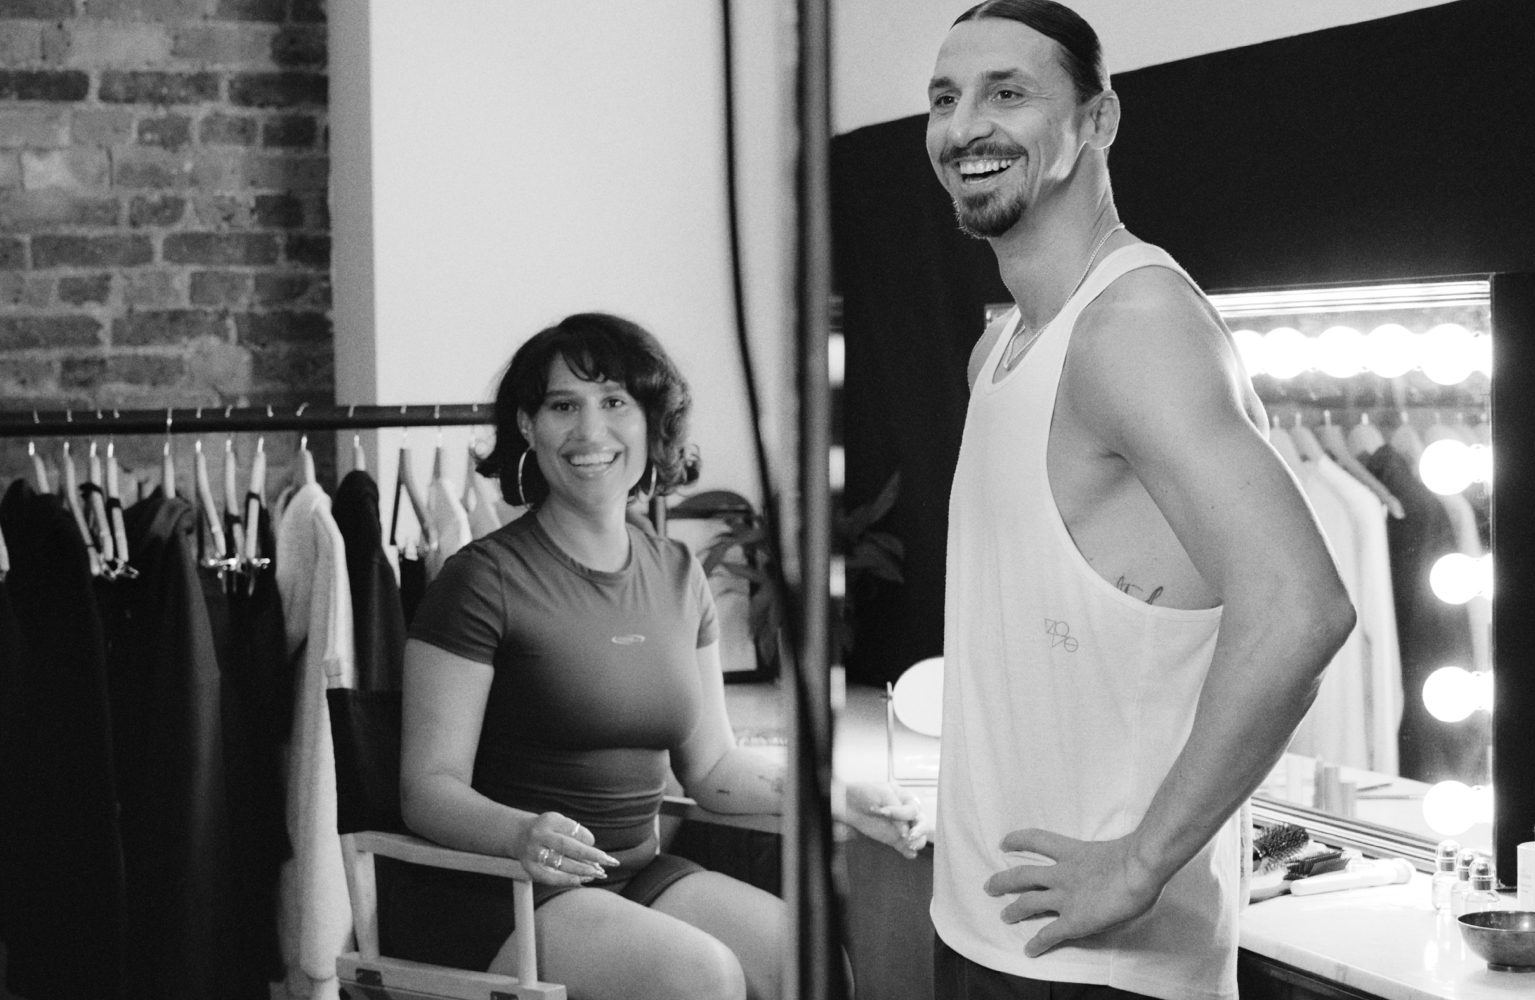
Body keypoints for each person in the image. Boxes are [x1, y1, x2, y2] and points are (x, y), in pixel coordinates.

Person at [923, 4, 1356, 999]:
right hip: (993, 933)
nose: (963, 127)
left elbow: (1301, 607)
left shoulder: (1134, 323)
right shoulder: (1001, 346)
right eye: (945, 99)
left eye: (1007, 92)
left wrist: (1138, 863)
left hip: (1103, 970)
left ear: (1098, 119)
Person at [391, 312, 928, 999]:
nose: (590, 432)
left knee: (809, 960)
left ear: (652, 422)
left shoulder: (677, 571)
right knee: (701, 977)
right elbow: (427, 789)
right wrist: (522, 834)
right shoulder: (479, 580)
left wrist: (838, 796)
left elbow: (713, 767)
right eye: (563, 406)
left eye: (615, 402)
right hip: (503, 887)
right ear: (527, 426)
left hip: (634, 875)